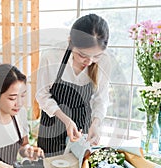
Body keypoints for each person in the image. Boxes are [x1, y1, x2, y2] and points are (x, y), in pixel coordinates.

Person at [36, 13, 112, 157]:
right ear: (71, 41)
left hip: (82, 130)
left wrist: (95, 124)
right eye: (82, 55)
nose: (89, 62)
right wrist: (66, 120)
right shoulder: (52, 56)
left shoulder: (105, 61)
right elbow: (42, 96)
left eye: (96, 56)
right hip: (51, 127)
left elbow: (101, 99)